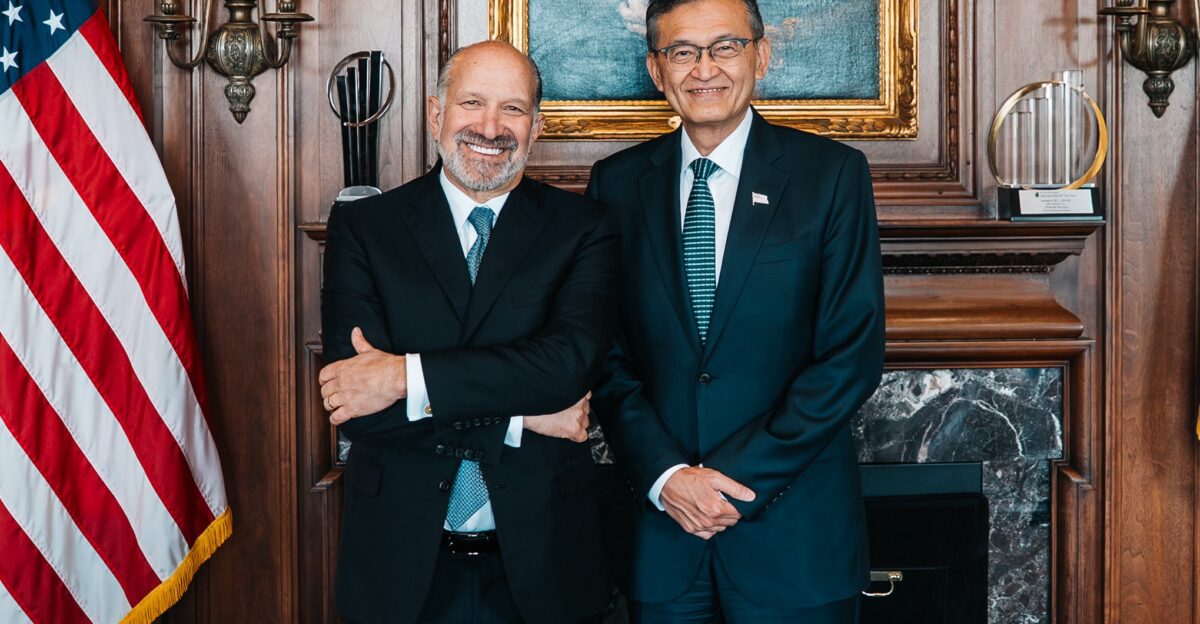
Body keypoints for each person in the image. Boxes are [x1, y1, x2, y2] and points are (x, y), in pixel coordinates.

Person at [587, 0, 885, 621]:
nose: (705, 69)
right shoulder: (615, 184)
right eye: (682, 52)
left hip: (795, 536)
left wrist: (730, 483)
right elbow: (606, 355)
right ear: (656, 69)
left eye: (725, 47)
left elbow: (849, 356)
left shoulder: (831, 175)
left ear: (762, 56)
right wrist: (668, 477)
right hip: (664, 533)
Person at [319, 40, 616, 624]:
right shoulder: (366, 227)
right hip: (400, 564)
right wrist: (523, 419)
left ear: (536, 127)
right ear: (436, 113)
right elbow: (357, 407)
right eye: (472, 102)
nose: (490, 127)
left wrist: (404, 377)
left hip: (545, 559)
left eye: (513, 109)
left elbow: (565, 370)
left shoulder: (583, 228)